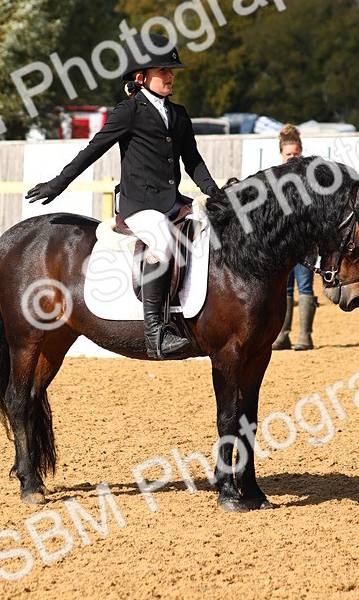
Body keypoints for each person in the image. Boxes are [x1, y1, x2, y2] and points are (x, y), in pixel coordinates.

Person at [26, 33, 220, 360]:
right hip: (139, 207)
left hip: (174, 201)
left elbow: (193, 160)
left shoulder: (180, 114)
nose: (171, 75)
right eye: (163, 71)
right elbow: (93, 150)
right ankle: (156, 332)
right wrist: (58, 184)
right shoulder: (128, 112)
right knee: (161, 242)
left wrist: (214, 191)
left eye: (172, 70)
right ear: (141, 77)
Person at [272, 124, 317, 351]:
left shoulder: (311, 181)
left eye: (296, 154)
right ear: (281, 154)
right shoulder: (274, 181)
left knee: (305, 287)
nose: (292, 158)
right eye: (288, 154)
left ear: (301, 152)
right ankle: (282, 335)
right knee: (284, 289)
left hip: (305, 245)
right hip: (282, 246)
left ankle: (305, 336)